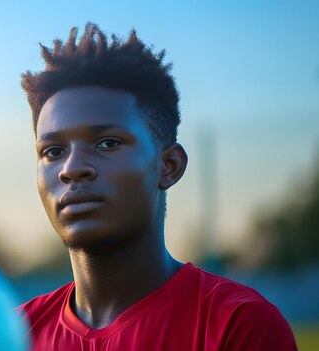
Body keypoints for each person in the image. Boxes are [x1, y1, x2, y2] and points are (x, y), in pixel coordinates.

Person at [17, 22, 297, 350]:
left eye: (107, 143)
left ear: (169, 166)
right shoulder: (9, 335)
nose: (72, 168)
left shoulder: (237, 324)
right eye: (53, 151)